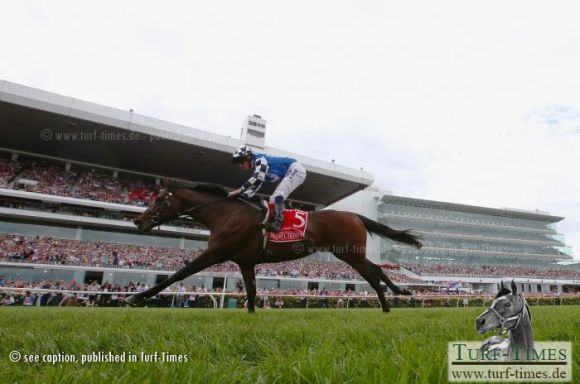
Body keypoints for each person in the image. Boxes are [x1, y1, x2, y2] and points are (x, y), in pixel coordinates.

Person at [229, 145, 307, 232]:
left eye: (241, 162)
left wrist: (239, 191)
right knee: (272, 200)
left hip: (296, 169)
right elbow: (257, 184)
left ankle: (278, 223)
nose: (240, 165)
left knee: (278, 194)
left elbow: (257, 178)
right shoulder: (257, 165)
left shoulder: (259, 159)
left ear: (248, 157)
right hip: (290, 171)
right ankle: (274, 222)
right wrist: (243, 195)